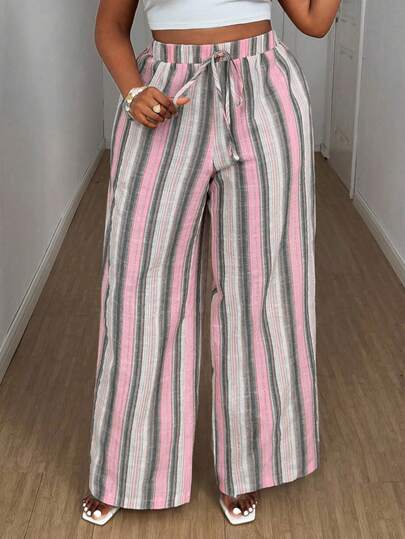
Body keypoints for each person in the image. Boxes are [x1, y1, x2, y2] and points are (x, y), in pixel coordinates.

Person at [81, 0, 340, 527]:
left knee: (260, 289)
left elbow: (315, 21)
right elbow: (110, 28)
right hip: (165, 94)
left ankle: (246, 466)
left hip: (263, 91)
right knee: (138, 291)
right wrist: (132, 91)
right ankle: (125, 469)